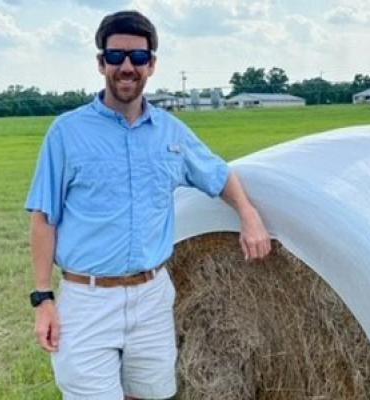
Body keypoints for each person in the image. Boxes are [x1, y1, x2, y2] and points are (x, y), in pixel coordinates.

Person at [25, 10, 271, 400]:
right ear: (101, 63)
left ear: (152, 65)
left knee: (150, 395)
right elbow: (44, 218)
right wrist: (43, 299)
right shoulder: (67, 133)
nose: (127, 67)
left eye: (138, 58)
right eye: (116, 56)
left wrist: (249, 213)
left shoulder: (171, 133)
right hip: (88, 299)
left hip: (153, 295)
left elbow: (219, 174)